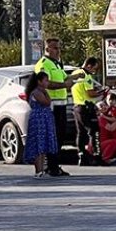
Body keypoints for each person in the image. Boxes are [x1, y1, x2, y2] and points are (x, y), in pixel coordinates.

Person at [34, 38, 80, 177]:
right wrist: (64, 85)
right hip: (50, 105)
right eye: (55, 48)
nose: (58, 51)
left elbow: (64, 79)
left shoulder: (57, 64)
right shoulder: (43, 64)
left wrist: (74, 77)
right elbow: (45, 84)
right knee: (51, 136)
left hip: (61, 105)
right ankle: (50, 166)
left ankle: (55, 166)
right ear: (47, 50)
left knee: (59, 136)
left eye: (59, 48)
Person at [71, 56, 105, 167]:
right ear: (89, 66)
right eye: (94, 69)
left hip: (77, 106)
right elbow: (90, 93)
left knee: (81, 132)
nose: (94, 71)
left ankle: (81, 156)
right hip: (86, 107)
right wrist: (102, 92)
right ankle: (97, 156)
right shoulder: (87, 76)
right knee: (94, 131)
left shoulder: (75, 73)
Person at [23, 71, 58, 179]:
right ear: (39, 81)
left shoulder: (41, 91)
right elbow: (46, 102)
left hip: (44, 119)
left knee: (43, 146)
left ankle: (42, 169)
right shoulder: (37, 92)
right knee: (38, 144)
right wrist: (46, 93)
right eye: (46, 80)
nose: (48, 83)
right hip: (38, 120)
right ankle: (38, 170)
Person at [98, 92, 116, 166]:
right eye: (109, 99)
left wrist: (105, 117)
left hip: (115, 130)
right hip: (110, 133)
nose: (111, 101)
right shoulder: (105, 112)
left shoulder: (114, 109)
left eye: (113, 100)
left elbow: (114, 119)